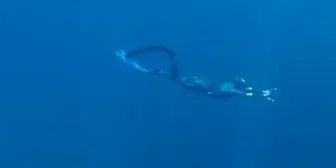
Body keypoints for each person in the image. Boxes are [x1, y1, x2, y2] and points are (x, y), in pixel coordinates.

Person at [116, 46, 275, 101]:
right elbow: (248, 90)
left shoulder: (234, 90)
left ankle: (127, 60)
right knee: (161, 72)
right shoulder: (235, 86)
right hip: (195, 82)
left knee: (161, 72)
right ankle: (129, 59)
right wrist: (262, 92)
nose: (238, 77)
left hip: (189, 83)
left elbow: (246, 94)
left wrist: (263, 94)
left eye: (239, 79)